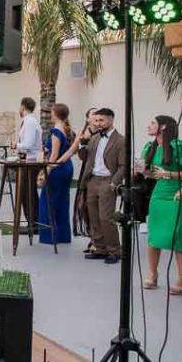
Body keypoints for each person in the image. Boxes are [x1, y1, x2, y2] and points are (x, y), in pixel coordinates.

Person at [139, 115, 182, 293]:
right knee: (154, 236)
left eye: (153, 123)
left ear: (163, 127)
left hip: (179, 193)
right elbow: (149, 173)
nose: (149, 125)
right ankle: (152, 274)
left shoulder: (181, 147)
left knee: (177, 236)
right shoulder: (150, 147)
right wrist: (142, 171)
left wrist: (167, 174)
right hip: (159, 195)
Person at [81, 108, 125, 264]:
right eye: (96, 120)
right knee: (93, 217)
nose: (98, 123)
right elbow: (84, 158)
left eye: (102, 120)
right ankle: (100, 248)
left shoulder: (120, 140)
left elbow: (123, 165)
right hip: (92, 180)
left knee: (106, 218)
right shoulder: (94, 139)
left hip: (108, 181)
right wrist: (83, 143)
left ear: (111, 120)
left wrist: (114, 183)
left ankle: (115, 250)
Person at [57, 108, 97, 245]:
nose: (97, 116)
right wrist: (55, 163)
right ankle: (92, 236)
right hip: (86, 172)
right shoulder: (82, 135)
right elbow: (71, 152)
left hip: (98, 173)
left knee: (94, 207)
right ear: (88, 119)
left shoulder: (103, 134)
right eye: (93, 113)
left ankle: (97, 240)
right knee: (83, 205)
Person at [38, 103, 74, 245]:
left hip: (58, 168)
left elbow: (54, 156)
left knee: (47, 201)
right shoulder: (67, 130)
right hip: (67, 166)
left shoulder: (56, 131)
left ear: (55, 114)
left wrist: (46, 171)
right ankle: (63, 235)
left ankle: (49, 236)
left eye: (51, 112)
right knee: (62, 200)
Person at [12, 97, 43, 232]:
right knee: (26, 192)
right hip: (27, 160)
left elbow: (29, 144)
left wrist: (16, 145)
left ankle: (33, 223)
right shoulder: (28, 121)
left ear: (23, 106)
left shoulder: (30, 122)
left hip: (30, 161)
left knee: (27, 193)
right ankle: (32, 221)